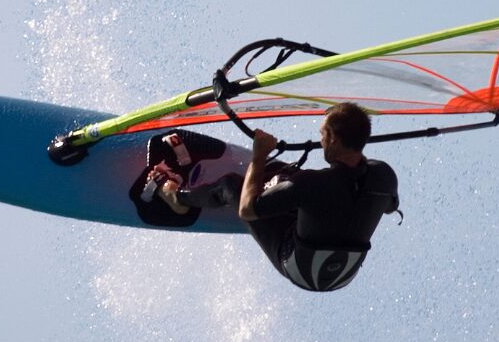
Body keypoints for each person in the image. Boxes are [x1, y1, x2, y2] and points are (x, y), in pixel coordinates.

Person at [153, 102, 400, 292]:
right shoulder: (385, 176)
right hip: (343, 273)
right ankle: (278, 191)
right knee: (295, 184)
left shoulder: (312, 184)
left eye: (323, 134)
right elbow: (388, 206)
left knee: (230, 185)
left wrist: (259, 156)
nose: (321, 140)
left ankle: (176, 199)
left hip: (302, 268)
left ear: (333, 138)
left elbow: (248, 210)